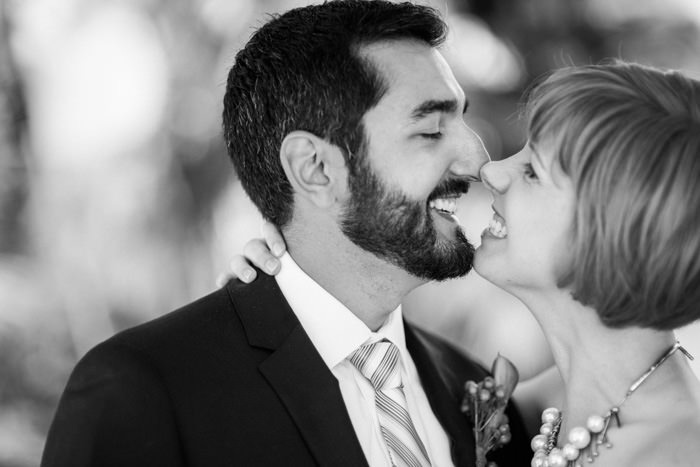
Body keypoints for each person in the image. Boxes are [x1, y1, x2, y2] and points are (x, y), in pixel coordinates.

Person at [41, 1, 530, 466]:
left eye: (462, 119)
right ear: (315, 168)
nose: (478, 160)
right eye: (430, 129)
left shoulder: (474, 390)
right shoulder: (145, 388)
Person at [229, 61, 700, 466]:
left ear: (613, 229)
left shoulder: (678, 450)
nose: (491, 171)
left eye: (533, 172)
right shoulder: (527, 407)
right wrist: (293, 291)